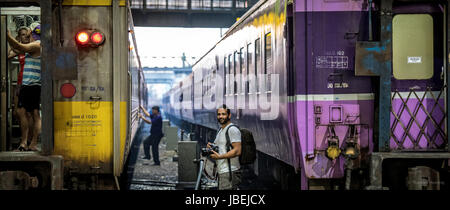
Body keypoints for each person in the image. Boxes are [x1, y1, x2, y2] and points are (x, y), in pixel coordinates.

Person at [6, 22, 41, 151]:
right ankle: (27, 142)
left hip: (30, 84)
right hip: (27, 83)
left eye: (28, 34)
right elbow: (13, 51)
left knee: (32, 113)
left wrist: (8, 36)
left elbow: (18, 46)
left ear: (31, 33)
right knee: (24, 112)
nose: (26, 36)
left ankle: (29, 142)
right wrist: (12, 41)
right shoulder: (32, 46)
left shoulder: (36, 45)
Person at [208, 104, 242, 190]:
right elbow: (221, 147)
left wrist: (219, 157)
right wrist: (211, 146)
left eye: (223, 114)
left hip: (230, 172)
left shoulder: (232, 130)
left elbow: (237, 150)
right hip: (222, 171)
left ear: (229, 115)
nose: (221, 116)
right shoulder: (221, 130)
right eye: (219, 114)